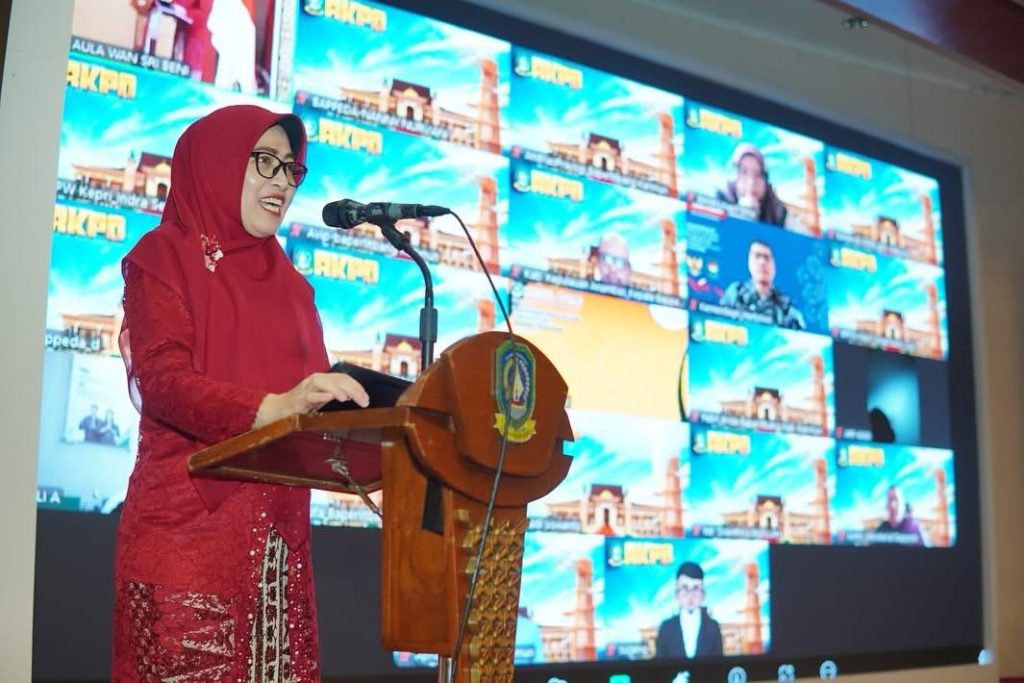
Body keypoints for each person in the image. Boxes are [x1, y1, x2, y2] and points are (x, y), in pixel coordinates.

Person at [112, 105, 370, 680]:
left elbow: (310, 414)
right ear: (219, 163)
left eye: (291, 169)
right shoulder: (164, 256)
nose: (282, 182)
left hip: (280, 556)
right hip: (186, 549)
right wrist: (272, 408)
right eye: (265, 162)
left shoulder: (296, 290)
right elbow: (163, 383)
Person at [718, 239, 806, 329]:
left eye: (767, 258)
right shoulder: (736, 291)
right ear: (749, 262)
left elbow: (798, 333)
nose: (762, 262)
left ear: (774, 266)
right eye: (757, 256)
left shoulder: (785, 302)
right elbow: (718, 322)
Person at [655, 562, 724, 659]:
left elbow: (719, 663)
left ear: (703, 594)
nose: (690, 596)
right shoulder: (666, 628)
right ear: (677, 593)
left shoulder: (713, 627)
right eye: (685, 588)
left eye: (695, 589)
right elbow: (659, 663)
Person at [716, 143, 791, 227]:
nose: (751, 182)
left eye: (758, 175)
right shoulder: (719, 201)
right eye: (744, 172)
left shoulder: (778, 211)